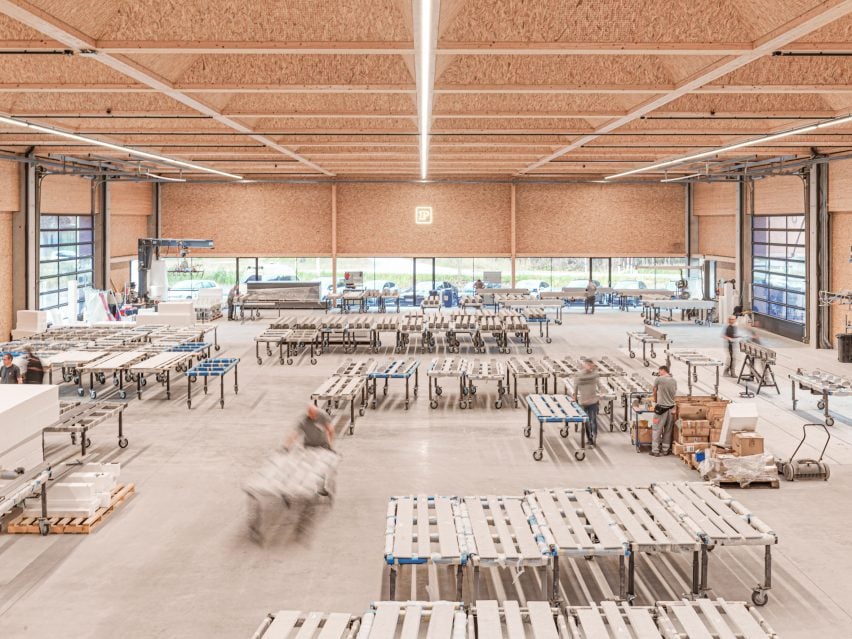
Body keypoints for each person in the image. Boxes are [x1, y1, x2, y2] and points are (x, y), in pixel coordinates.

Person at [651, 365, 677, 457]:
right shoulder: (674, 380)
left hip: (660, 410)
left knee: (656, 429)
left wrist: (655, 401)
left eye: (659, 371)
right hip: (671, 409)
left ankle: (655, 450)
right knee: (668, 430)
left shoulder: (658, 379)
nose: (659, 373)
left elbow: (654, 391)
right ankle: (665, 450)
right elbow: (674, 394)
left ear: (662, 370)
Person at [573, 359, 600, 448]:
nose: (589, 366)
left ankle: (594, 438)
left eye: (590, 365)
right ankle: (589, 439)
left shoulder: (594, 375)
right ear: (584, 365)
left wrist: (601, 392)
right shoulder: (580, 375)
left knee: (593, 420)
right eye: (587, 365)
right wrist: (574, 397)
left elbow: (599, 385)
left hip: (592, 402)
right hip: (583, 402)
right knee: (586, 421)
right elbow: (575, 387)